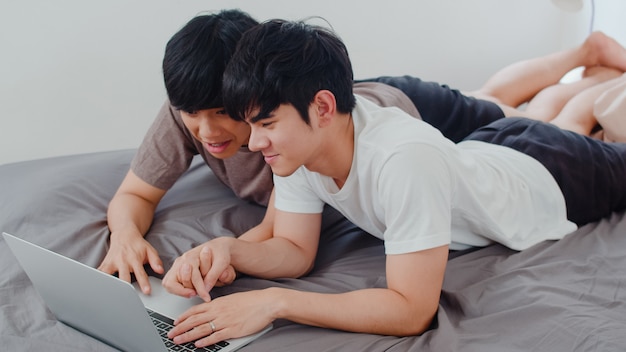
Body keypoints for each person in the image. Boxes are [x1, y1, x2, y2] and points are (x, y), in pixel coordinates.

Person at [160, 19, 626, 349]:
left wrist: (277, 303)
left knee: (582, 131)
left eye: (265, 124)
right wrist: (228, 250)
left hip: (555, 174)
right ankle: (594, 79)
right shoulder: (298, 150)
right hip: (487, 149)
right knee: (557, 118)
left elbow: (410, 310)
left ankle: (601, 91)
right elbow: (293, 250)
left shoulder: (403, 160)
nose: (254, 142)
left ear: (322, 108)